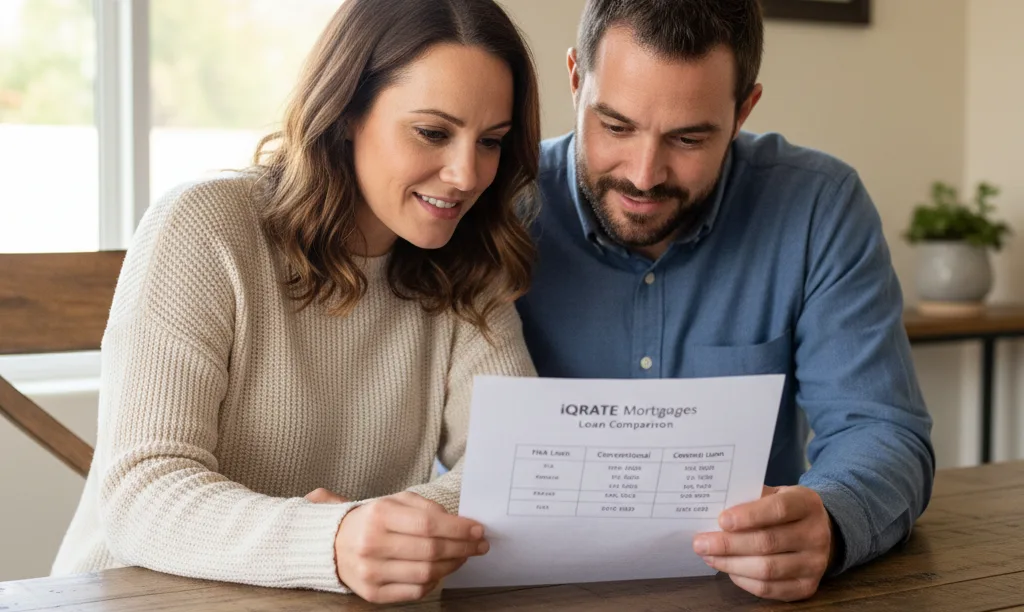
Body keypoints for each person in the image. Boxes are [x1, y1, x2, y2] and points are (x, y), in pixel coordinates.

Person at [51, 0, 541, 604]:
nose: (467, 174)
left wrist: (376, 534)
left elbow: (517, 470)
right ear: (345, 113)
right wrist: (333, 540)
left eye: (491, 141)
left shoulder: (473, 265)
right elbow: (141, 492)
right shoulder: (204, 227)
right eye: (433, 133)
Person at [516, 0, 935, 602]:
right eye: (616, 126)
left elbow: (880, 428)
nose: (643, 173)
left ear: (743, 112)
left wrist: (831, 519)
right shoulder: (494, 203)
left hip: (742, 593)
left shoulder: (819, 207)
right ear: (576, 78)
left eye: (688, 137)